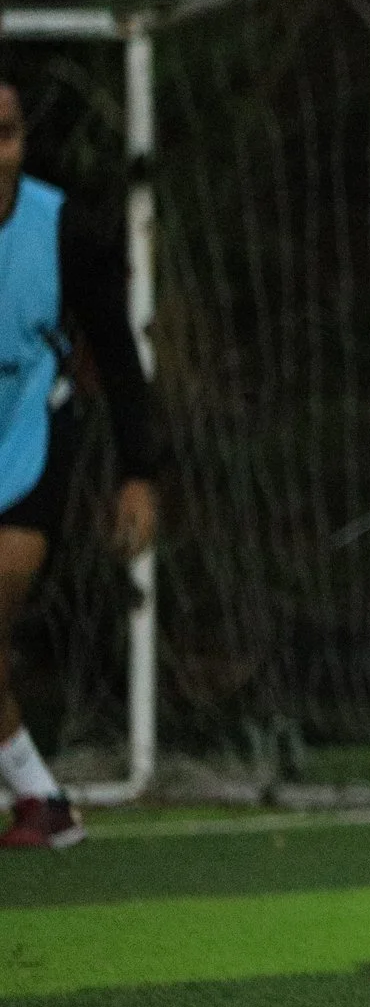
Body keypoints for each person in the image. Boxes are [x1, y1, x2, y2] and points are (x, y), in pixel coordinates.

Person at [0, 70, 159, 850]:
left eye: (5, 133)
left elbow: (120, 357)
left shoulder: (62, 229)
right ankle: (41, 799)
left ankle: (39, 795)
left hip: (28, 445)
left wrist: (140, 473)